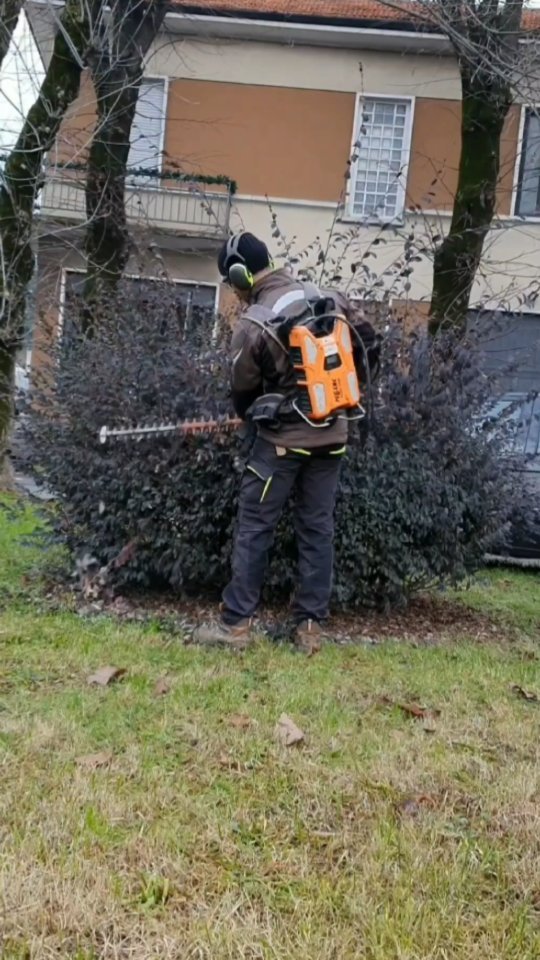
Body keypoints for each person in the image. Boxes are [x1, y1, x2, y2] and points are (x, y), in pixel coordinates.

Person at [194, 232, 380, 653]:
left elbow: (242, 393)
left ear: (240, 274)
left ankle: (235, 625)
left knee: (255, 526)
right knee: (318, 529)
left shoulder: (254, 321)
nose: (234, 290)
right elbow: (370, 342)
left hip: (280, 444)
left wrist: (257, 413)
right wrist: (347, 394)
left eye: (231, 281)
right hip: (334, 437)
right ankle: (309, 628)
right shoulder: (329, 297)